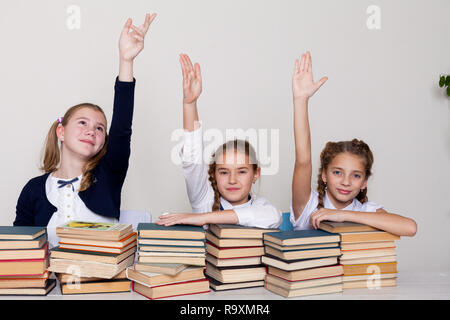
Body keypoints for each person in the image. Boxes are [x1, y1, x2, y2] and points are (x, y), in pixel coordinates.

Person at [14, 13, 157, 247]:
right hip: (53, 281)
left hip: (100, 281)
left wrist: (126, 61)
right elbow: (20, 248)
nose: (91, 130)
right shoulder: (34, 189)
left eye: (100, 128)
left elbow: (122, 127)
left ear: (104, 141)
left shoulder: (109, 175)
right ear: (61, 132)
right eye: (82, 123)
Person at [290, 51, 417, 236]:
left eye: (356, 176)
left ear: (364, 182)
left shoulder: (365, 210)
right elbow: (303, 161)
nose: (346, 182)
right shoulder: (307, 205)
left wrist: (343, 215)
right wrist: (301, 100)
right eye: (337, 172)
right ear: (324, 175)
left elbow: (410, 228)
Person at [156, 54, 282, 229]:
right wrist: (189, 104)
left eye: (242, 172)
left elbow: (272, 217)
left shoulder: (264, 209)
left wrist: (202, 218)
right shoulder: (204, 200)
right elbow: (192, 159)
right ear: (214, 174)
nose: (232, 180)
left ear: (256, 174)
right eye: (223, 172)